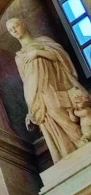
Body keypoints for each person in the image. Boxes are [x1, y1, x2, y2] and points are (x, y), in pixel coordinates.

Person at [6, 18, 89, 162]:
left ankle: (81, 142)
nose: (14, 30)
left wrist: (38, 53)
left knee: (62, 112)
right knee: (50, 118)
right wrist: (30, 109)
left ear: (23, 24)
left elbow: (60, 57)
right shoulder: (19, 56)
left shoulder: (43, 41)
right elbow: (26, 80)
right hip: (37, 93)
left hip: (55, 86)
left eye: (16, 26)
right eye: (10, 30)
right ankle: (70, 151)